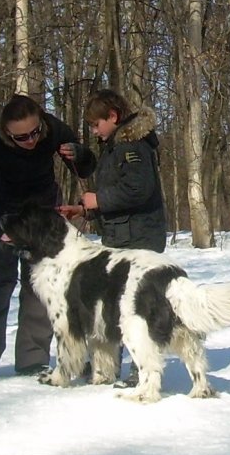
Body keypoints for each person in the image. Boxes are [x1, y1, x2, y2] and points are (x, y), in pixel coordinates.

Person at [0, 94, 97, 380]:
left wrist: (80, 154)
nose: (31, 140)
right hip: (4, 216)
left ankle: (32, 357)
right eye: (21, 137)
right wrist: (0, 230)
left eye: (35, 132)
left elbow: (85, 167)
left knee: (39, 287)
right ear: (7, 132)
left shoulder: (53, 129)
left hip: (42, 219)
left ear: (41, 121)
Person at [60, 88, 167, 388]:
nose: (94, 130)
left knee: (139, 305)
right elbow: (115, 196)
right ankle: (106, 366)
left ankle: (142, 369)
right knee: (115, 304)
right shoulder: (114, 146)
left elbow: (138, 191)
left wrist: (98, 200)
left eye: (96, 124)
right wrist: (84, 209)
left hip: (140, 239)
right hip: (121, 236)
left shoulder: (132, 146)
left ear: (113, 116)